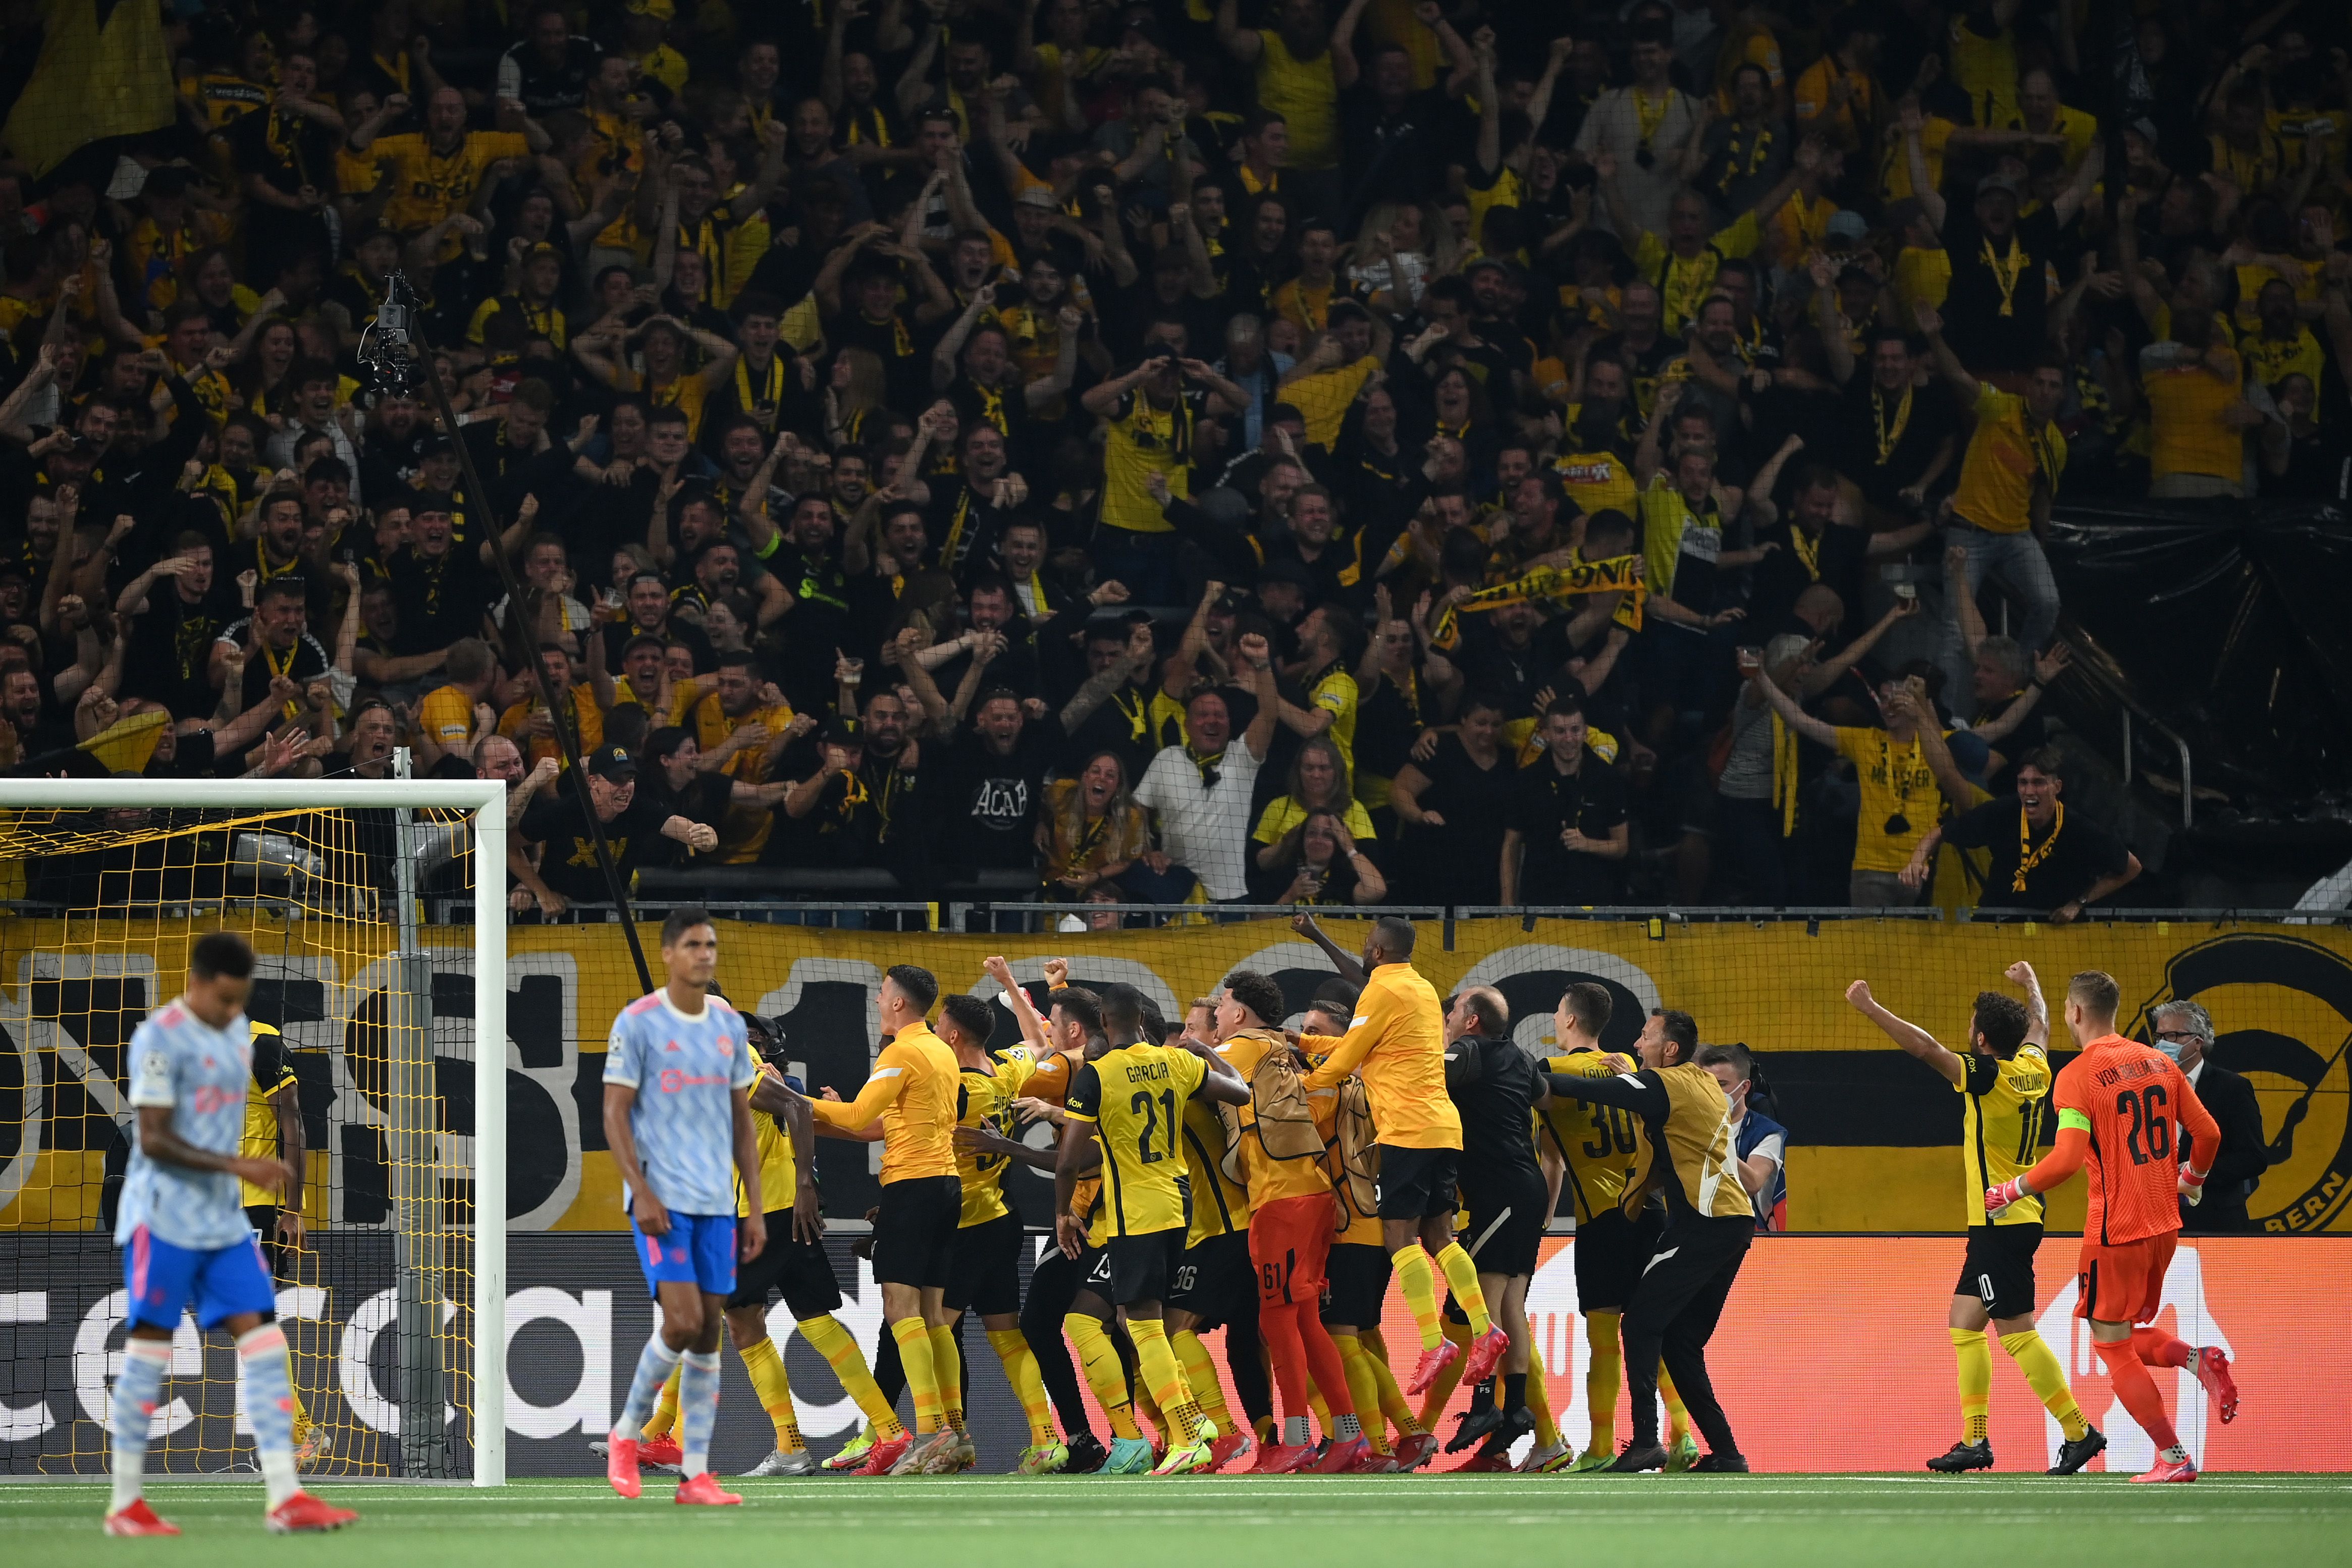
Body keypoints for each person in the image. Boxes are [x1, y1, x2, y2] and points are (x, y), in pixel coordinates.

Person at [101, 933, 358, 1536]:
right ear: (196, 984)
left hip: (223, 1217)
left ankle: (286, 1495)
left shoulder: (243, 1038)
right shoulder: (159, 1039)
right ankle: (126, 1503)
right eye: (223, 1000)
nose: (230, 1013)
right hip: (162, 1212)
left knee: (264, 1338)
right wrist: (243, 1167)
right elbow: (156, 1137)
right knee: (149, 1347)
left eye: (240, 1001)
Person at [1845, 963, 2102, 1474]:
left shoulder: (1987, 1077)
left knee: (2016, 1332)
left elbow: (1924, 1048)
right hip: (2014, 1216)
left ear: (1981, 1039)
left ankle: (2078, 1430)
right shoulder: (2034, 1065)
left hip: (2000, 1220)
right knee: (1964, 1323)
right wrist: (2032, 983)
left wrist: (1870, 1008)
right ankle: (1974, 1440)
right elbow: (2042, 1025)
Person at [1984, 972, 2236, 1483]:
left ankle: (2172, 1456)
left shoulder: (2076, 1076)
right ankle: (2197, 1358)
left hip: (2114, 1230)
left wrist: (2011, 1189)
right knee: (2119, 1329)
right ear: (2114, 1010)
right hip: (2164, 1227)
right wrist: (2190, 1179)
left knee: (2111, 1344)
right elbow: (2208, 1132)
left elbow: (2064, 1161)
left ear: (2075, 1012)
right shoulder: (2161, 1062)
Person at [1293, 913, 1507, 1400]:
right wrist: (1304, 1042)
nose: (1365, 949)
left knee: (1398, 1235)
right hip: (1441, 1127)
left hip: (1406, 1131)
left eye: (1368, 943)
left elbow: (1347, 1061)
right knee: (1439, 1235)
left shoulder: (1378, 992)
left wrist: (1298, 1088)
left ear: (1377, 951)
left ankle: (1434, 1343)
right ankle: (1486, 1329)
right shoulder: (1424, 990)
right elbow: (1367, 1048)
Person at [1540, 1008, 1754, 1472]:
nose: (1637, 1044)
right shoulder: (1699, 1082)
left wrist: (1533, 1076)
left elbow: (1589, 1089)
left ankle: (1644, 1441)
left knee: (1638, 1323)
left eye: (1645, 1036)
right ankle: (1728, 1452)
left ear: (1670, 1049)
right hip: (1729, 1223)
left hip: (1704, 1222)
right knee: (1680, 1340)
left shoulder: (1667, 1083)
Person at [600, 909, 765, 1507]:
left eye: (711, 945)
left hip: (719, 1201)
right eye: (694, 945)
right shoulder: (638, 1022)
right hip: (662, 1197)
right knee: (683, 1321)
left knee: (708, 1336)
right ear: (669, 953)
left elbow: (741, 1117)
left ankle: (696, 1473)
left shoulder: (728, 1025)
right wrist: (638, 1187)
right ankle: (626, 1434)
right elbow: (615, 1111)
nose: (705, 954)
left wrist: (755, 1205)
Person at [1053, 982, 1249, 1476]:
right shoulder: (1176, 1062)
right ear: (1142, 1016)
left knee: (1140, 1322)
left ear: (1103, 1020)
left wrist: (1061, 1213)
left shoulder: (1096, 1075)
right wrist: (1206, 1050)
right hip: (1177, 1203)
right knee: (1131, 1319)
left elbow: (1068, 1162)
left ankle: (1186, 1432)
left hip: (1133, 1212)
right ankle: (1192, 1420)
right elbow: (1240, 1090)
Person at [789, 965, 964, 1476]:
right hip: (946, 1185)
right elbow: (874, 1122)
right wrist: (834, 1111)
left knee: (899, 1307)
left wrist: (786, 1099)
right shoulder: (939, 1051)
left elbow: (857, 1114)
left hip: (912, 1186)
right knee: (932, 1316)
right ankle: (955, 1431)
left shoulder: (901, 1050)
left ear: (898, 1004)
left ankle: (931, 1431)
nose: (877, 1000)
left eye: (883, 992)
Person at [1212, 968, 1357, 1474]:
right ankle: (1347, 1435)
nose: (1214, 1013)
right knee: (1303, 1318)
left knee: (1275, 1319)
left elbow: (1187, 1071)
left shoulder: (1244, 1043)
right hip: (1311, 1191)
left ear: (1239, 1012)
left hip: (1283, 1199)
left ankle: (1295, 1437)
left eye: (1220, 1004)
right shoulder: (1275, 1044)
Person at [1434, 986, 1553, 1473]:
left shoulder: (1468, 1052)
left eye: (1453, 1012)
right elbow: (1548, 1096)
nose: (1447, 1020)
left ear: (1471, 1022)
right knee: (1510, 1305)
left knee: (1481, 1300)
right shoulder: (1524, 1059)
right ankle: (1518, 1404)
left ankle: (1486, 1404)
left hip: (1499, 1192)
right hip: (1524, 1190)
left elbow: (1422, 1075)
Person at [1902, 747, 2141, 919]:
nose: (2029, 791)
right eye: (2023, 783)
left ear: (2057, 787)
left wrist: (2079, 903)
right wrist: (1915, 862)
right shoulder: (2004, 812)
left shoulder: (2079, 828)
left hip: (2051, 931)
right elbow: (1938, 834)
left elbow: (2132, 867)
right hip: (1995, 924)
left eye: (2038, 783)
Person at [2151, 1000, 2271, 1236]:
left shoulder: (2232, 1088)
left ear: (2198, 1042)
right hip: (2155, 1220)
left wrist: (2196, 1172)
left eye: (2174, 1036)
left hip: (2214, 1222)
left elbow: (2253, 1157)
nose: (2164, 1044)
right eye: (2159, 1036)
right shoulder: (2147, 1087)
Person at [1694, 1044, 1786, 1231]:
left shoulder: (1768, 1133)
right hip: (1701, 1233)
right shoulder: (1691, 1126)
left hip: (1755, 1239)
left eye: (1721, 1085)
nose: (1712, 1092)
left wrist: (1711, 1141)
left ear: (1745, 1087)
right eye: (1706, 1084)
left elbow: (1753, 1183)